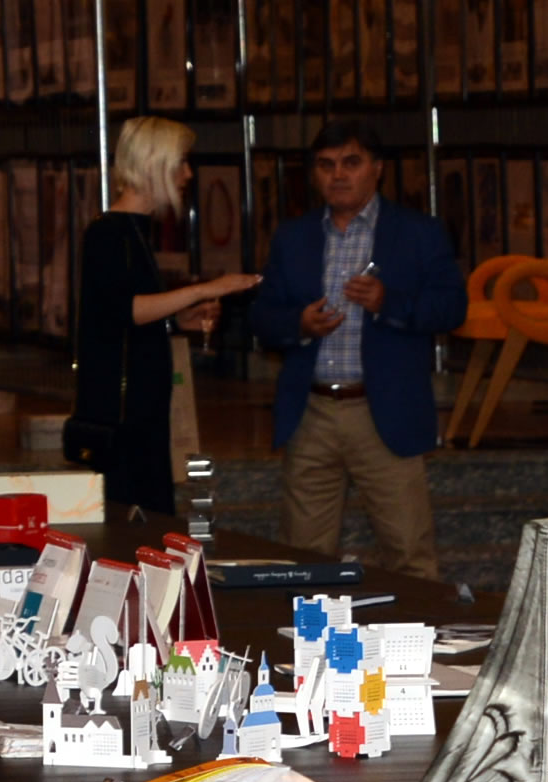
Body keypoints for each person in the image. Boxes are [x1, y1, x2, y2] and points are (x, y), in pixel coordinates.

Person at [249, 117, 467, 581]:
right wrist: (299, 323)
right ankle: (303, 649)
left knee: (409, 554)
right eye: (326, 165)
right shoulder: (294, 237)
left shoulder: (418, 232)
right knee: (302, 559)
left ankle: (423, 649)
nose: (338, 175)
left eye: (351, 162)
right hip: (313, 412)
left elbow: (452, 308)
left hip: (383, 410)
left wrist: (390, 302)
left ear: (377, 169)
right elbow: (263, 317)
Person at [74, 116, 260, 518]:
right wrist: (205, 288)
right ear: (152, 164)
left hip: (142, 412)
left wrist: (179, 320)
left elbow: (126, 316)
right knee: (136, 525)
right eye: (180, 163)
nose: (188, 175)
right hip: (122, 419)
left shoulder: (135, 231)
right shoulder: (109, 233)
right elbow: (125, 309)